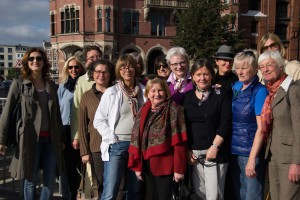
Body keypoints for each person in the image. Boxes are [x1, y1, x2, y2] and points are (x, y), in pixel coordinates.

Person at [0, 48, 64, 199]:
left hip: (50, 140)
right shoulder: (19, 84)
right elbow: (6, 113)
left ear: (43, 62)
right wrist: (1, 140)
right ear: (27, 63)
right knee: (30, 179)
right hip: (28, 139)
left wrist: (61, 139)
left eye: (39, 58)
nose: (35, 61)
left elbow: (57, 116)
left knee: (49, 180)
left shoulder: (51, 86)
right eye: (31, 59)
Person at [93, 54, 146, 200]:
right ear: (119, 71)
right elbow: (98, 120)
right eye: (123, 67)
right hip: (117, 145)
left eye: (130, 66)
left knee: (135, 191)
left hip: (137, 146)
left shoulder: (144, 91)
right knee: (110, 191)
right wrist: (111, 137)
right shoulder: (112, 92)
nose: (127, 70)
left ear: (135, 69)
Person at [128, 78, 188, 200]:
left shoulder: (174, 110)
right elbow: (137, 139)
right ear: (147, 94)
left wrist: (179, 169)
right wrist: (138, 166)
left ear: (166, 92)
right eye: (153, 91)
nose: (157, 94)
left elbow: (180, 142)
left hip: (166, 166)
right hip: (147, 165)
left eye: (160, 90)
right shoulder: (144, 110)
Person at [183, 59, 232, 200]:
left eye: (206, 74)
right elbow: (184, 124)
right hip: (195, 154)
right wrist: (187, 149)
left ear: (212, 75)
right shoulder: (188, 97)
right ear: (192, 76)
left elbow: (225, 122)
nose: (202, 78)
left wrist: (215, 146)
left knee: (215, 195)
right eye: (198, 74)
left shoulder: (221, 94)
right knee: (201, 193)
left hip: (216, 152)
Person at [258, 50, 300, 200]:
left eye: (269, 65)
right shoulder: (271, 91)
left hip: (290, 160)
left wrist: (297, 163)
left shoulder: (293, 90)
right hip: (273, 157)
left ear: (280, 66)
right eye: (262, 67)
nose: (265, 69)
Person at [231, 50, 268, 200]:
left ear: (254, 69)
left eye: (244, 68)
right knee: (239, 194)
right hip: (233, 149)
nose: (240, 71)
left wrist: (252, 159)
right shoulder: (236, 87)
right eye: (237, 68)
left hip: (249, 151)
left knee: (252, 195)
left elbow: (261, 129)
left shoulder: (259, 91)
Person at [79, 59, 115, 195]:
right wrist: (84, 151)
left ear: (110, 74)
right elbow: (82, 126)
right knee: (99, 184)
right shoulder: (87, 96)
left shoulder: (116, 93)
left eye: (105, 72)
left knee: (116, 184)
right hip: (96, 147)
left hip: (115, 146)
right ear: (92, 74)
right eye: (98, 71)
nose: (101, 75)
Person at [57, 56, 86, 200]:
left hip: (81, 129)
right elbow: (57, 109)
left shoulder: (85, 84)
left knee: (82, 165)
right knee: (67, 167)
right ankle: (70, 195)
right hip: (65, 129)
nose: (74, 69)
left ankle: (83, 194)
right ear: (67, 69)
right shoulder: (62, 87)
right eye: (70, 67)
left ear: (81, 68)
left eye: (76, 67)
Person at [71, 45, 102, 150]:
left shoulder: (110, 79)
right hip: (89, 131)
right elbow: (76, 109)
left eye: (98, 57)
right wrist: (76, 136)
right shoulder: (81, 81)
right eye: (91, 58)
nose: (95, 60)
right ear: (86, 61)